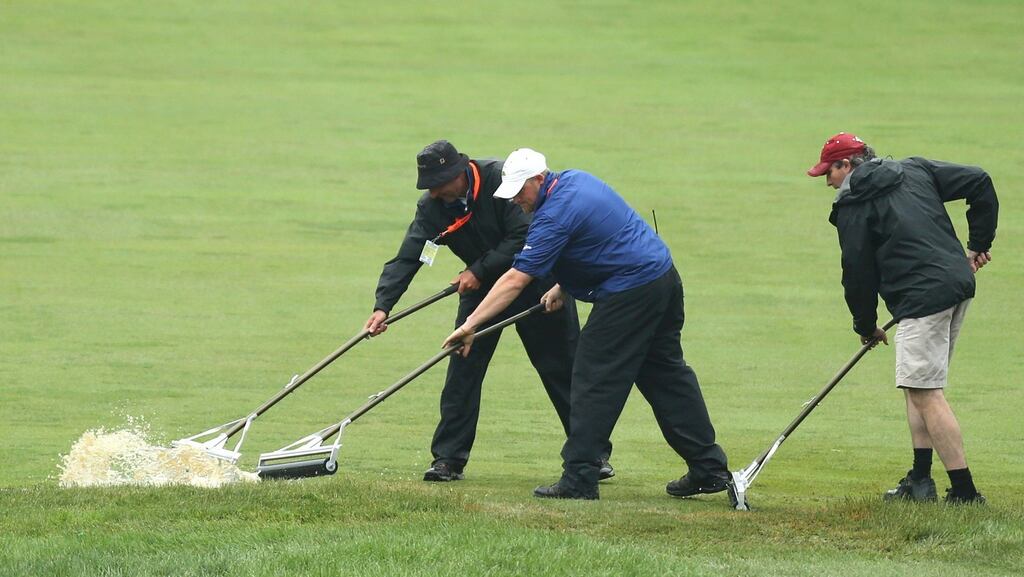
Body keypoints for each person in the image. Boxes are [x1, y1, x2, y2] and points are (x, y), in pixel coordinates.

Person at [442, 148, 730, 501]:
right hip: (662, 279)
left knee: (592, 378)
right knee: (665, 375)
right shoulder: (576, 181)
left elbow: (516, 278)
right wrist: (563, 285)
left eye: (521, 190)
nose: (516, 200)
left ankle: (580, 477)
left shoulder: (553, 214)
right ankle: (708, 468)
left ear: (538, 178)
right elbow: (600, 238)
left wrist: (471, 323)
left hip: (631, 291)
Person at [366, 140, 614, 483]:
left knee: (561, 368)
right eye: (429, 186)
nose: (434, 192)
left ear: (458, 173)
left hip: (538, 283)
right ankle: (448, 459)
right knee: (462, 370)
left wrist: (478, 270)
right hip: (483, 294)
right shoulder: (433, 207)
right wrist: (383, 306)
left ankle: (591, 454)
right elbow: (411, 253)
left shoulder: (503, 180)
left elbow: (523, 235)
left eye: (439, 183)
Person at [807, 132, 998, 504]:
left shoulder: (853, 205)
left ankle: (965, 492)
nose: (827, 181)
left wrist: (864, 326)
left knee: (926, 392)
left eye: (828, 172)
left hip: (924, 298)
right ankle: (920, 480)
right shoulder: (913, 170)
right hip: (955, 286)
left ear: (846, 166)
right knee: (916, 386)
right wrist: (979, 245)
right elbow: (980, 180)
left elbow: (857, 273)